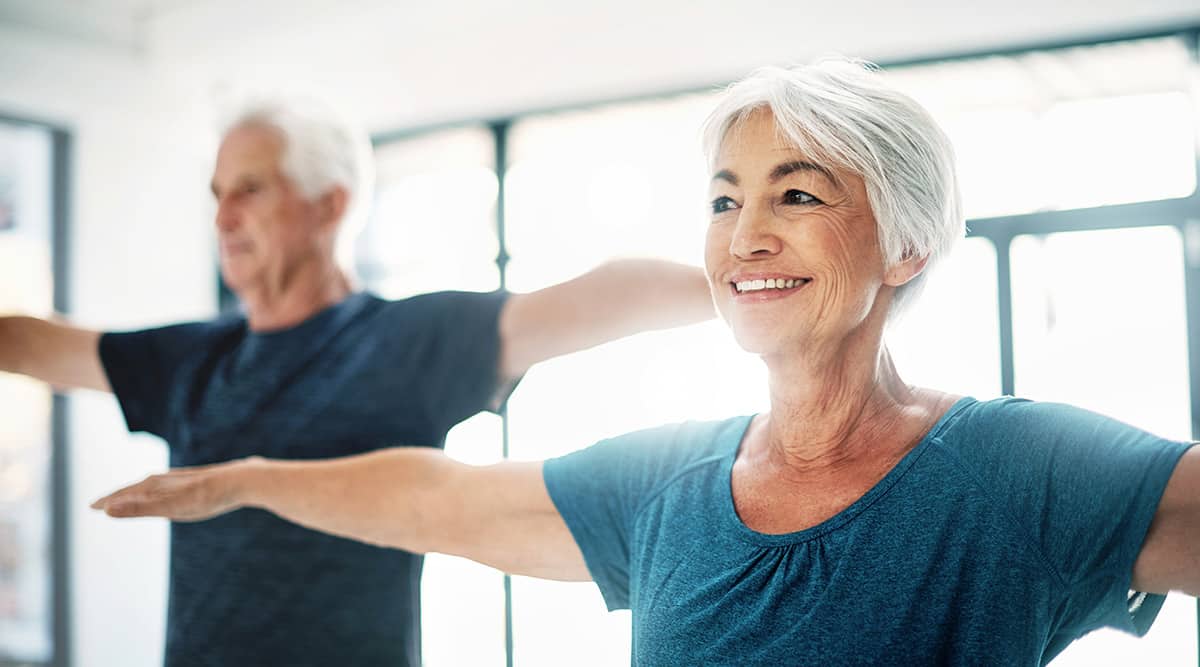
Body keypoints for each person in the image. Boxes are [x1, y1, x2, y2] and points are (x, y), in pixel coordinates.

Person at [91, 60, 1200, 665]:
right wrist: (241, 479)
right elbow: (441, 495)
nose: (745, 234)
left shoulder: (1018, 469)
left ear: (908, 240)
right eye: (725, 200)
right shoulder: (672, 484)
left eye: (797, 194)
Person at [0, 96, 715, 667]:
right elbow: (31, 342)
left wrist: (767, 287)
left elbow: (606, 293)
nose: (222, 217)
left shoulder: (404, 341)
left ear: (329, 204)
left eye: (249, 189)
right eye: (217, 193)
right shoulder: (193, 359)